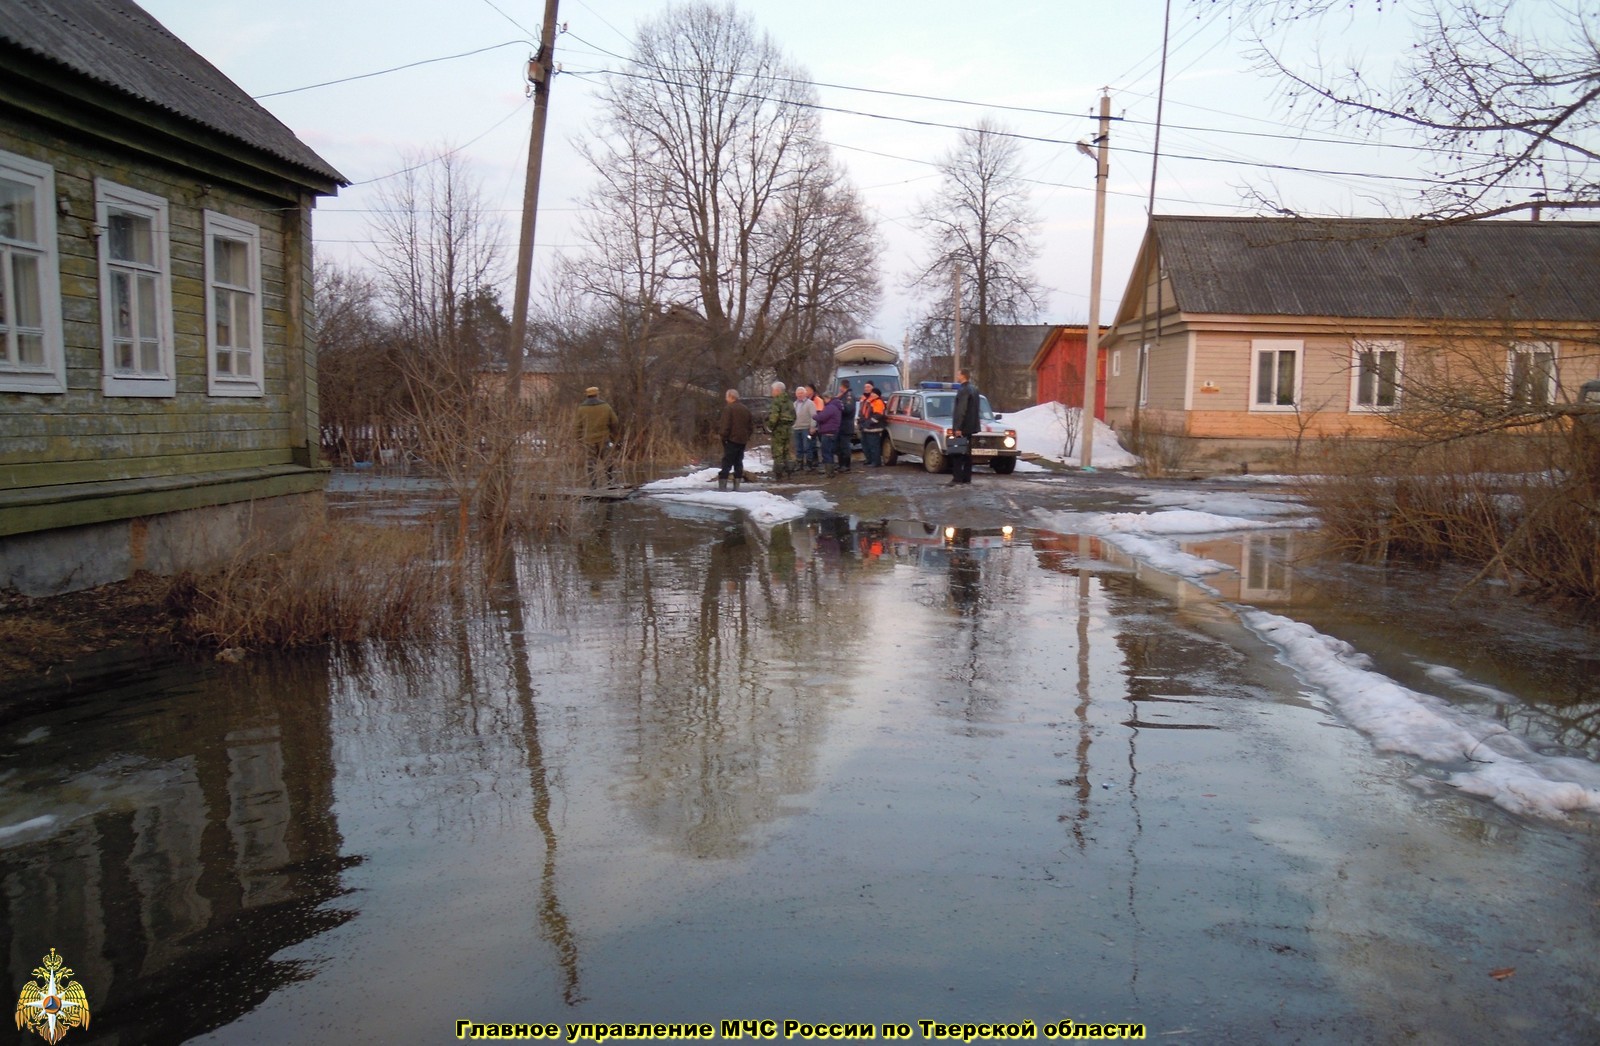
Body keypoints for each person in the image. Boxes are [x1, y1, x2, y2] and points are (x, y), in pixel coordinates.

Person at [575, 385, 620, 488]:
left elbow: (578, 426)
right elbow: (615, 421)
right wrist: (613, 434)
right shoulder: (606, 406)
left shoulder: (581, 408)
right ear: (597, 394)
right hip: (604, 438)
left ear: (587, 395)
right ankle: (610, 482)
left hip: (588, 440)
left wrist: (578, 438)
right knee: (607, 461)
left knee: (591, 463)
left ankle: (593, 485)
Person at [716, 388, 754, 491]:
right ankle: (736, 487)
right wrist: (746, 436)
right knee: (738, 462)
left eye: (726, 397)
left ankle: (722, 487)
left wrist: (723, 437)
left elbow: (725, 425)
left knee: (727, 463)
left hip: (731, 440)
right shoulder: (746, 409)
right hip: (742, 440)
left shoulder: (729, 409)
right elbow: (751, 426)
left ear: (730, 397)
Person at [949, 369, 981, 485]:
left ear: (963, 376)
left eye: (958, 374)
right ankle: (967, 478)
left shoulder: (963, 390)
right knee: (968, 454)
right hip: (971, 426)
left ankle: (957, 478)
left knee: (957, 452)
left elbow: (961, 410)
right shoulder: (974, 389)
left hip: (962, 427)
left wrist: (958, 428)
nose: (957, 376)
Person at [767, 381, 796, 479]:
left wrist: (770, 427)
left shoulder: (776, 401)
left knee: (778, 451)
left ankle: (778, 474)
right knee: (786, 451)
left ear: (777, 390)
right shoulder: (790, 401)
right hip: (788, 429)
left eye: (772, 390)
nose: (772, 392)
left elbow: (773, 417)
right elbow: (794, 416)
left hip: (779, 429)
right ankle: (789, 472)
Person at [812, 390, 843, 478]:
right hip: (833, 431)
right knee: (830, 452)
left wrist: (814, 416)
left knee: (826, 452)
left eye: (824, 399)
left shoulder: (830, 407)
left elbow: (822, 417)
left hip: (828, 432)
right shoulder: (836, 406)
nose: (824, 401)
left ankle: (829, 473)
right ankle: (830, 471)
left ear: (828, 398)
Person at [858, 383, 888, 467]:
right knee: (865, 445)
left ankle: (876, 462)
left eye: (874, 393)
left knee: (873, 446)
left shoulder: (878, 402)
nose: (872, 394)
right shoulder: (868, 401)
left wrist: (867, 423)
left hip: (874, 428)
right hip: (866, 427)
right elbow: (863, 413)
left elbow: (878, 415)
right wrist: (861, 422)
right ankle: (870, 460)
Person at [793, 385, 819, 471]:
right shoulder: (794, 404)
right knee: (798, 447)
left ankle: (809, 464)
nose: (799, 395)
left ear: (805, 394)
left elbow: (813, 416)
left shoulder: (810, 403)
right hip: (796, 429)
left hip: (806, 429)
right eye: (798, 393)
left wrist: (812, 427)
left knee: (807, 446)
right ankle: (799, 464)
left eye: (801, 393)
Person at [834, 379, 856, 472]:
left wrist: (838, 404)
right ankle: (841, 464)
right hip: (840, 425)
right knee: (839, 446)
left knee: (845, 446)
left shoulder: (849, 396)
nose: (839, 388)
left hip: (846, 425)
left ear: (843, 387)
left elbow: (848, 409)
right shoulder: (842, 396)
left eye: (840, 386)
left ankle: (846, 465)